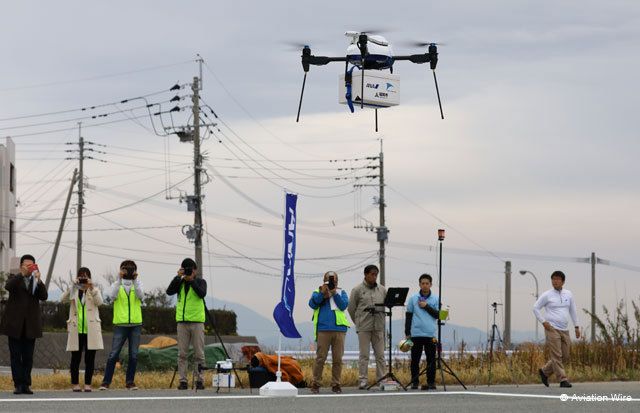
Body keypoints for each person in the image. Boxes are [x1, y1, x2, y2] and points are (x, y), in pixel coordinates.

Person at [0, 254, 48, 395]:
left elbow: (44, 296)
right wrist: (21, 274)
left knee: (28, 356)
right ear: (21, 266)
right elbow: (8, 287)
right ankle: (18, 384)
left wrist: (39, 280)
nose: (28, 267)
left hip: (30, 325)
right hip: (14, 324)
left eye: (31, 265)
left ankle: (26, 384)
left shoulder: (35, 281)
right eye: (26, 265)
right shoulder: (13, 278)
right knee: (15, 356)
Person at [100, 260, 144, 390]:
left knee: (134, 355)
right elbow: (111, 297)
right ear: (121, 270)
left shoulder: (139, 283)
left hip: (135, 324)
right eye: (125, 269)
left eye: (131, 269)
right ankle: (106, 382)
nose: (128, 271)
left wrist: (135, 280)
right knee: (114, 354)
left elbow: (141, 296)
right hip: (120, 324)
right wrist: (119, 279)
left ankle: (130, 382)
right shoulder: (116, 284)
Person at [533, 270, 580, 388]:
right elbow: (535, 308)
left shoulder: (568, 294)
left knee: (565, 355)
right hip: (552, 328)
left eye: (558, 279)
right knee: (557, 355)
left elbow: (573, 310)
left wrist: (577, 326)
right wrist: (543, 322)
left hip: (564, 329)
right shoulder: (547, 295)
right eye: (553, 279)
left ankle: (544, 372)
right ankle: (563, 380)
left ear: (563, 281)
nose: (555, 281)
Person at [166, 258, 207, 390]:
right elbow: (169, 291)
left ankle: (200, 380)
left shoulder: (200, 282)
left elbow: (202, 294)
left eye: (190, 270)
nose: (189, 272)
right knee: (182, 354)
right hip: (182, 322)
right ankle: (183, 381)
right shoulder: (180, 282)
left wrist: (192, 281)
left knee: (199, 354)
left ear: (195, 270)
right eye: (186, 270)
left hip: (197, 322)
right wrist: (177, 277)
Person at [61, 267, 103, 392]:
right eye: (81, 276)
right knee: (75, 358)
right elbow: (62, 300)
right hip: (76, 329)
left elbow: (99, 302)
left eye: (86, 276)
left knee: (90, 359)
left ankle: (88, 384)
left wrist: (91, 287)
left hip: (91, 330)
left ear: (90, 277)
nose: (83, 278)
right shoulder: (74, 290)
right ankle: (75, 383)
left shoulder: (94, 289)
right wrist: (72, 286)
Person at [308, 271, 349, 394]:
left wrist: (334, 293)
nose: (332, 282)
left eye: (334, 280)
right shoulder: (318, 291)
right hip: (323, 329)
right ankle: (316, 383)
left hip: (339, 329)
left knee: (338, 359)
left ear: (337, 281)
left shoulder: (341, 292)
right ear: (324, 280)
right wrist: (323, 293)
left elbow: (343, 306)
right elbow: (312, 304)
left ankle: (336, 384)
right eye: (329, 280)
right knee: (320, 358)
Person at [348, 264, 386, 389]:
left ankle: (381, 379)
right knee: (364, 355)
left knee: (380, 355)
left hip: (378, 327)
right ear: (366, 274)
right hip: (364, 327)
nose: (374, 277)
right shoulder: (357, 290)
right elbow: (351, 308)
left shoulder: (382, 290)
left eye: (376, 274)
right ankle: (363, 380)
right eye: (372, 274)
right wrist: (358, 322)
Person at [405, 273, 439, 390]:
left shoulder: (436, 298)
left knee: (431, 360)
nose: (425, 285)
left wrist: (426, 306)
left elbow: (438, 315)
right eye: (422, 283)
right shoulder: (413, 298)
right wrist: (407, 332)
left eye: (427, 283)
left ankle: (431, 382)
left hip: (430, 334)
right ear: (419, 284)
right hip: (416, 333)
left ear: (431, 285)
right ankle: (414, 382)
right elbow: (408, 315)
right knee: (415, 360)